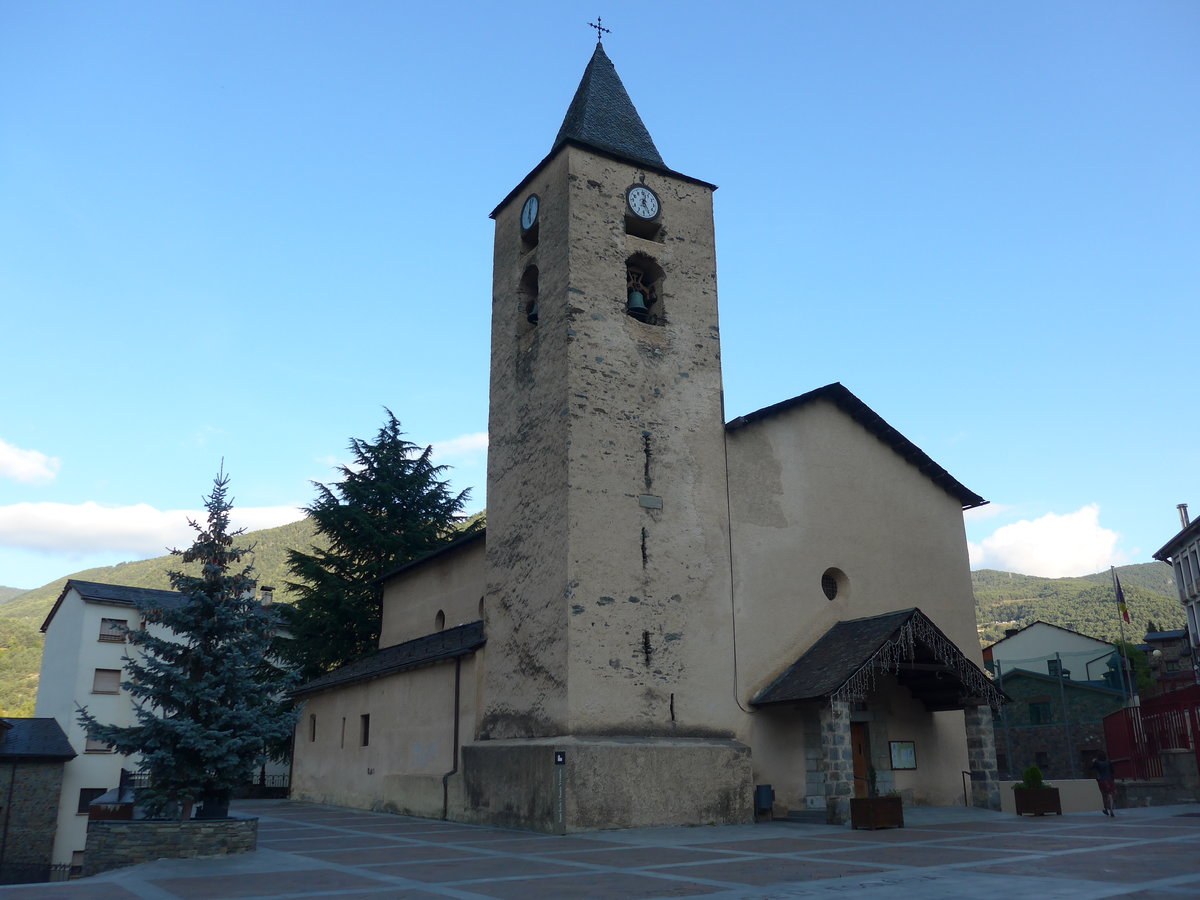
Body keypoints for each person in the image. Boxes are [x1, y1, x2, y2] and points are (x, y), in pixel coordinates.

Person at [1093, 750, 1116, 817]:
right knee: (1111, 794)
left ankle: (1106, 809)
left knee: (1104, 795)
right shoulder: (1109, 762)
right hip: (1110, 780)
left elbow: (1091, 768)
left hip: (1102, 780)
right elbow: (1112, 771)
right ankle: (1111, 809)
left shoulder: (1097, 763)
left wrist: (1094, 761)